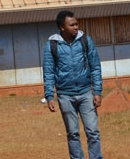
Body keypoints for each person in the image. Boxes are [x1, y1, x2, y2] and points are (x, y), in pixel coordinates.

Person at [43, 10, 104, 159]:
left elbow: (95, 67)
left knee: (93, 132)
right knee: (73, 134)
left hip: (86, 94)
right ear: (62, 27)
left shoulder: (85, 41)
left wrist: (97, 91)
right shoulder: (52, 45)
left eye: (76, 24)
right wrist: (50, 95)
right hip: (65, 96)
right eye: (72, 25)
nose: (76, 27)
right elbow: (49, 71)